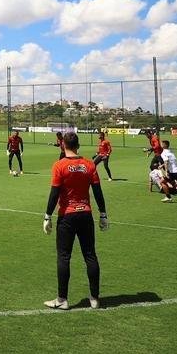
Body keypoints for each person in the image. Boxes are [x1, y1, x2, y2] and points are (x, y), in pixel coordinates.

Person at [42, 132, 109, 310]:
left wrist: (47, 216)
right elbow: (98, 191)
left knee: (64, 257)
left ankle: (62, 299)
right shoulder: (89, 164)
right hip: (85, 214)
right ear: (78, 145)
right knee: (90, 255)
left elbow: (54, 193)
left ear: (63, 145)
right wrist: (103, 214)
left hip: (67, 216)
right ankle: (94, 298)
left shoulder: (59, 165)